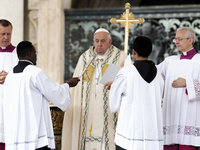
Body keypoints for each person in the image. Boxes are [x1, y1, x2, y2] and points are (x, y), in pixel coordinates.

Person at [2, 41, 80, 150]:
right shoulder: (35, 73)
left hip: (15, 134)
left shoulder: (10, 75)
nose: (36, 56)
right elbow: (53, 92)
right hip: (34, 135)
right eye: (35, 52)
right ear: (29, 53)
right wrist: (68, 85)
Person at [61, 28, 127, 150]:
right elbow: (77, 89)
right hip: (87, 110)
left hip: (108, 112)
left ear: (110, 42)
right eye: (96, 41)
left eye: (103, 41)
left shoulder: (120, 58)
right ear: (93, 41)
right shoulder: (85, 58)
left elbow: (128, 84)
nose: (99, 45)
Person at [109, 36, 164, 150]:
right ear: (150, 52)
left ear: (133, 52)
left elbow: (113, 106)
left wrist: (114, 86)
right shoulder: (159, 74)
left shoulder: (125, 73)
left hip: (129, 134)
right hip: (152, 133)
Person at [158, 27, 200, 150]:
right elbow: (151, 74)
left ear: (190, 40)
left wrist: (187, 83)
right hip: (171, 115)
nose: (176, 42)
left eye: (180, 39)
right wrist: (131, 69)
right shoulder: (169, 62)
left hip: (191, 118)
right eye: (175, 39)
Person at [0, 19, 18, 149]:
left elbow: (26, 77)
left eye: (9, 34)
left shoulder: (18, 54)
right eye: (2, 34)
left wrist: (10, 77)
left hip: (11, 103)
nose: (6, 37)